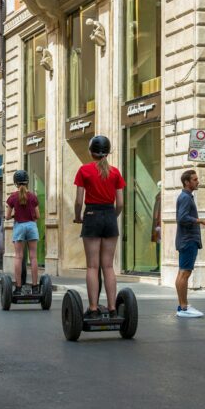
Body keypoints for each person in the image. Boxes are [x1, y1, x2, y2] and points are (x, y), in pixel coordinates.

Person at [73, 135, 126, 319]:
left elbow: (79, 200)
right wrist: (113, 216)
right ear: (108, 152)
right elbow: (120, 203)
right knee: (108, 267)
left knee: (92, 267)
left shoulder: (84, 170)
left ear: (91, 151)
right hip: (110, 216)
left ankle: (94, 308)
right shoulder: (115, 172)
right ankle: (112, 309)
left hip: (92, 215)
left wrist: (78, 216)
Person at [175, 169, 205, 318]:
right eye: (195, 179)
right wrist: (201, 221)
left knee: (182, 273)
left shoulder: (185, 197)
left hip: (185, 240)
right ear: (187, 182)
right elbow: (182, 218)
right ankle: (184, 307)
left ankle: (182, 306)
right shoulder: (185, 198)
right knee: (184, 273)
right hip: (188, 240)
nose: (198, 181)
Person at [6, 170, 41, 295]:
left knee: (18, 257)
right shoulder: (33, 196)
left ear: (15, 182)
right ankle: (35, 286)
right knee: (33, 257)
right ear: (27, 182)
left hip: (19, 226)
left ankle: (19, 287)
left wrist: (16, 214)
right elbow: (38, 215)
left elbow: (7, 216)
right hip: (31, 226)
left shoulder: (12, 197)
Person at [152, 182, 162, 271]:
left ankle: (160, 265)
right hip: (157, 223)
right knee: (158, 245)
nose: (159, 188)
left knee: (160, 245)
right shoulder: (159, 196)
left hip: (159, 224)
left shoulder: (162, 197)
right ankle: (158, 265)